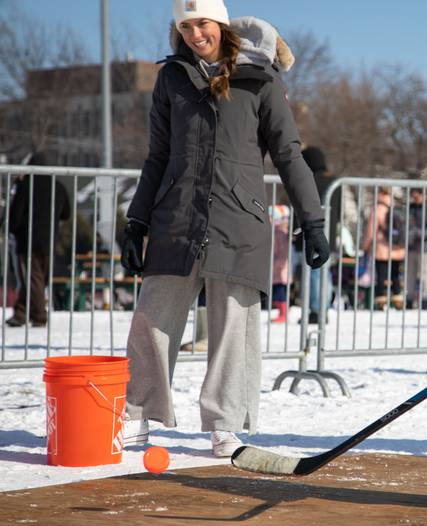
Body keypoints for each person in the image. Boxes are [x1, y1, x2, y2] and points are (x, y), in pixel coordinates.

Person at [120, 0, 329, 458]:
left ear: (221, 23)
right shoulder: (172, 78)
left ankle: (225, 422)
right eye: (186, 26)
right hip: (177, 217)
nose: (196, 34)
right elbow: (157, 156)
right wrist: (136, 221)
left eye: (203, 24)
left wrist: (312, 219)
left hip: (239, 217)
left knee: (233, 326)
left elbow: (289, 154)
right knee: (152, 319)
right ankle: (136, 413)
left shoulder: (261, 78)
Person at [7, 153, 70, 327]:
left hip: (27, 240)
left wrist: (11, 229)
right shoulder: (58, 186)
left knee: (32, 277)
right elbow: (67, 213)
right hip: (50, 240)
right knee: (38, 278)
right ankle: (20, 313)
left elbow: (14, 217)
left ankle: (39, 316)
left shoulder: (26, 186)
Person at [301, 146, 339, 324]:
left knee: (315, 273)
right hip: (329, 231)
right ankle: (322, 308)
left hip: (314, 230)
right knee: (325, 273)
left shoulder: (309, 180)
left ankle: (317, 310)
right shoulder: (334, 181)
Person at [361, 186, 405, 310]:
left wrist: (365, 246)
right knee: (395, 275)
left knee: (381, 276)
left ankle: (381, 300)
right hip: (397, 248)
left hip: (382, 248)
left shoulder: (378, 209)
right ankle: (398, 299)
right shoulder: (396, 207)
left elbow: (371, 231)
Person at [406, 186, 427, 309]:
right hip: (412, 247)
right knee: (410, 275)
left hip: (426, 248)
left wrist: (418, 233)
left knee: (425, 275)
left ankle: (425, 300)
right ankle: (409, 300)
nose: (415, 199)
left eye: (416, 196)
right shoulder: (411, 208)